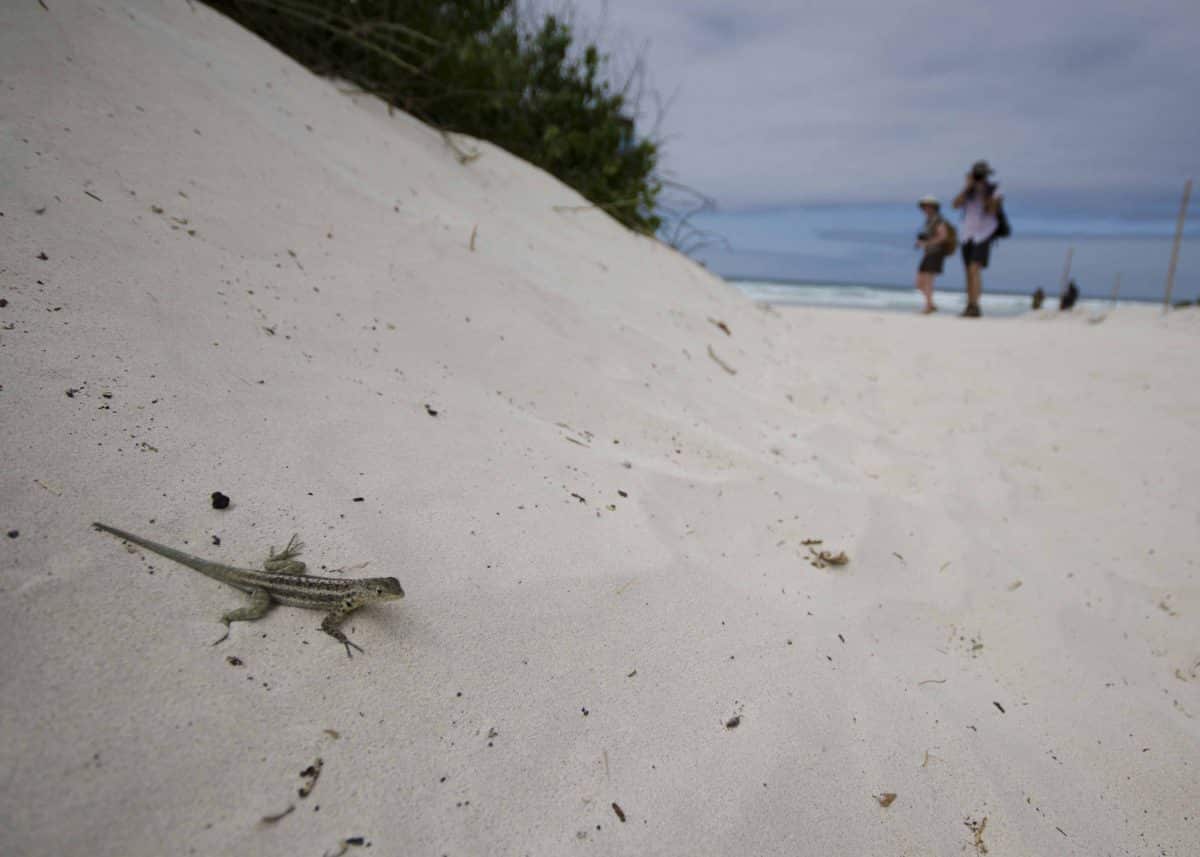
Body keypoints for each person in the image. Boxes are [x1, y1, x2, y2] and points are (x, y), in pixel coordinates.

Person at [952, 160, 1003, 317]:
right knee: (968, 271)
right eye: (978, 175)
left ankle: (975, 305)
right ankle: (970, 304)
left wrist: (985, 193)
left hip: (984, 234)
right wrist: (967, 187)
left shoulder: (995, 190)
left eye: (983, 175)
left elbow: (992, 210)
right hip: (967, 235)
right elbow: (955, 205)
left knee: (975, 268)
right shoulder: (968, 191)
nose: (980, 179)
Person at [914, 195, 950, 314]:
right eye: (924, 207)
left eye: (928, 206)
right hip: (928, 253)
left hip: (935, 253)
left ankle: (929, 306)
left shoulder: (938, 220)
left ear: (934, 207)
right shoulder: (929, 221)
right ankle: (931, 304)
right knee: (919, 282)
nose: (925, 209)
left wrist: (926, 243)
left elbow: (943, 236)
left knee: (928, 280)